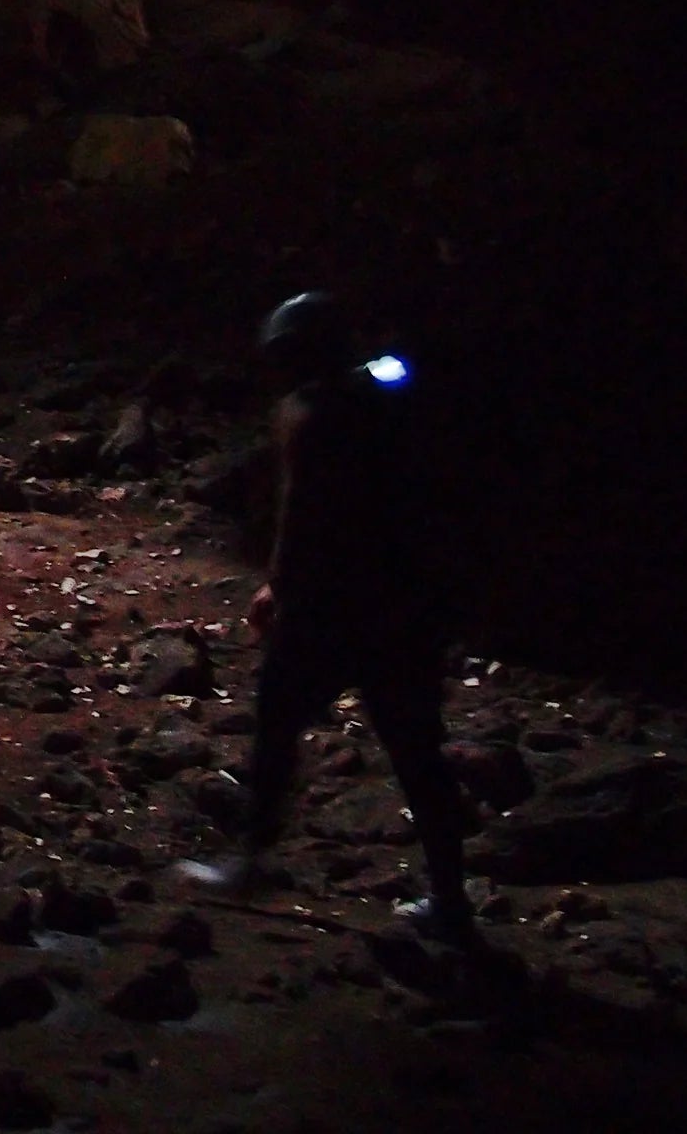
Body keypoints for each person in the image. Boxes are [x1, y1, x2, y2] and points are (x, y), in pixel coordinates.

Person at [183, 291, 473, 942]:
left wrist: (279, 588)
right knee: (416, 752)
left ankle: (252, 861)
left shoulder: (317, 415)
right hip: (401, 608)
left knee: (280, 726)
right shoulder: (385, 402)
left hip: (335, 610)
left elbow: (307, 519)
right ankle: (451, 900)